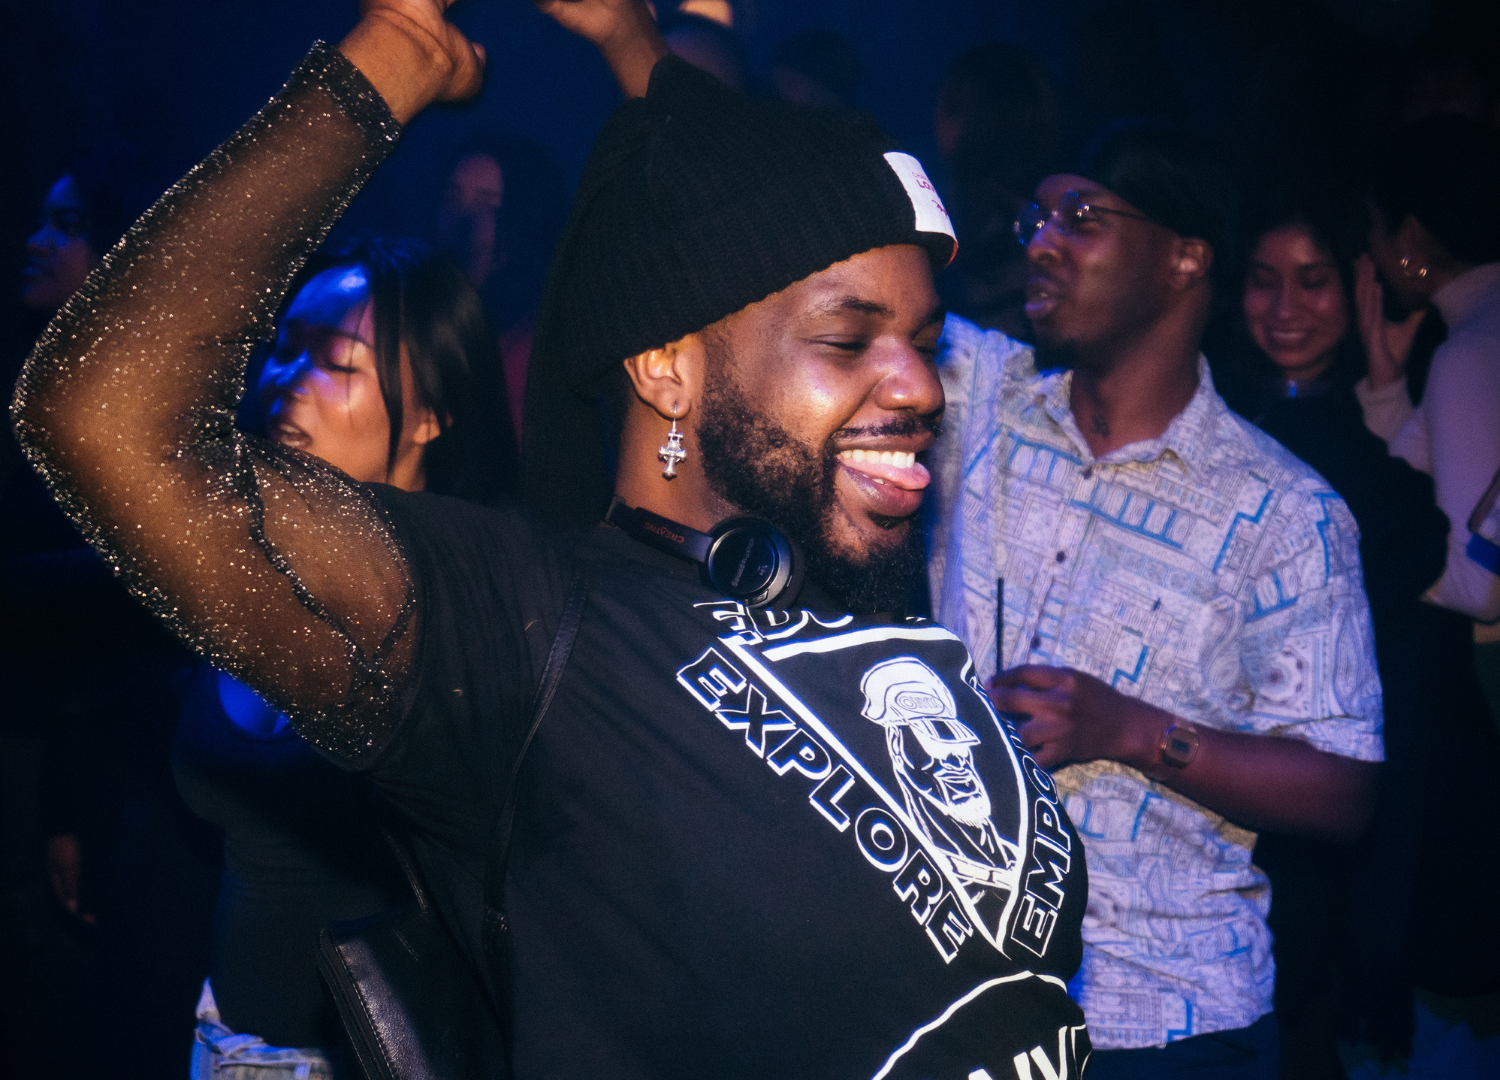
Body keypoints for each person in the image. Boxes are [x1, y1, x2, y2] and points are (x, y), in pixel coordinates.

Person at [12, 2, 1092, 1078]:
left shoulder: (847, 583)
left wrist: (631, 43)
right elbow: (103, 420)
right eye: (849, 339)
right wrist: (392, 53)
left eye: (923, 341)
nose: (920, 387)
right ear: (665, 367)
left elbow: (736, 183)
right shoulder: (522, 634)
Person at [926, 122, 1383, 1078]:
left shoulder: (1283, 511)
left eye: (1080, 217)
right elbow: (822, 254)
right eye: (1035, 220)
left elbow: (1342, 789)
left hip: (1166, 1019)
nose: (1041, 243)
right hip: (961, 997)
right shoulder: (985, 401)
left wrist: (1131, 730)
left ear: (1185, 259)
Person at [175, 237, 516, 1079]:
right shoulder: (247, 570)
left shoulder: (461, 611)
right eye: (284, 348)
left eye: (337, 363)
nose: (288, 380)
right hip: (224, 1041)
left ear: (431, 414)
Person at [1220, 190, 1451, 1071]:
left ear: (1356, 290)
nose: (1285, 307)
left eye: (1312, 281)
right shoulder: (1216, 418)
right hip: (1234, 775)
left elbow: (1422, 547)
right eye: (1264, 279)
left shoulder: (1362, 434)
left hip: (1334, 782)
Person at [431, 133, 567, 442]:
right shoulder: (410, 320)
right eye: (452, 198)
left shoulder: (537, 355)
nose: (462, 220)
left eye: (487, 207)